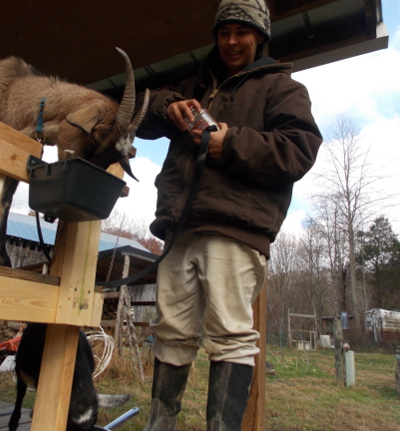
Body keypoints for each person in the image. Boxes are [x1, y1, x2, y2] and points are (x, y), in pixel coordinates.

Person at [135, 0, 323, 430]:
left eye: (242, 32)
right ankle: (159, 424)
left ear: (260, 37)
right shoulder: (198, 85)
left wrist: (229, 143)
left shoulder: (282, 88)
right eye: (224, 33)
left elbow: (298, 150)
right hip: (180, 229)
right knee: (171, 332)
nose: (232, 41)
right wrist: (170, 107)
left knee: (230, 336)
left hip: (235, 230)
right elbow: (141, 112)